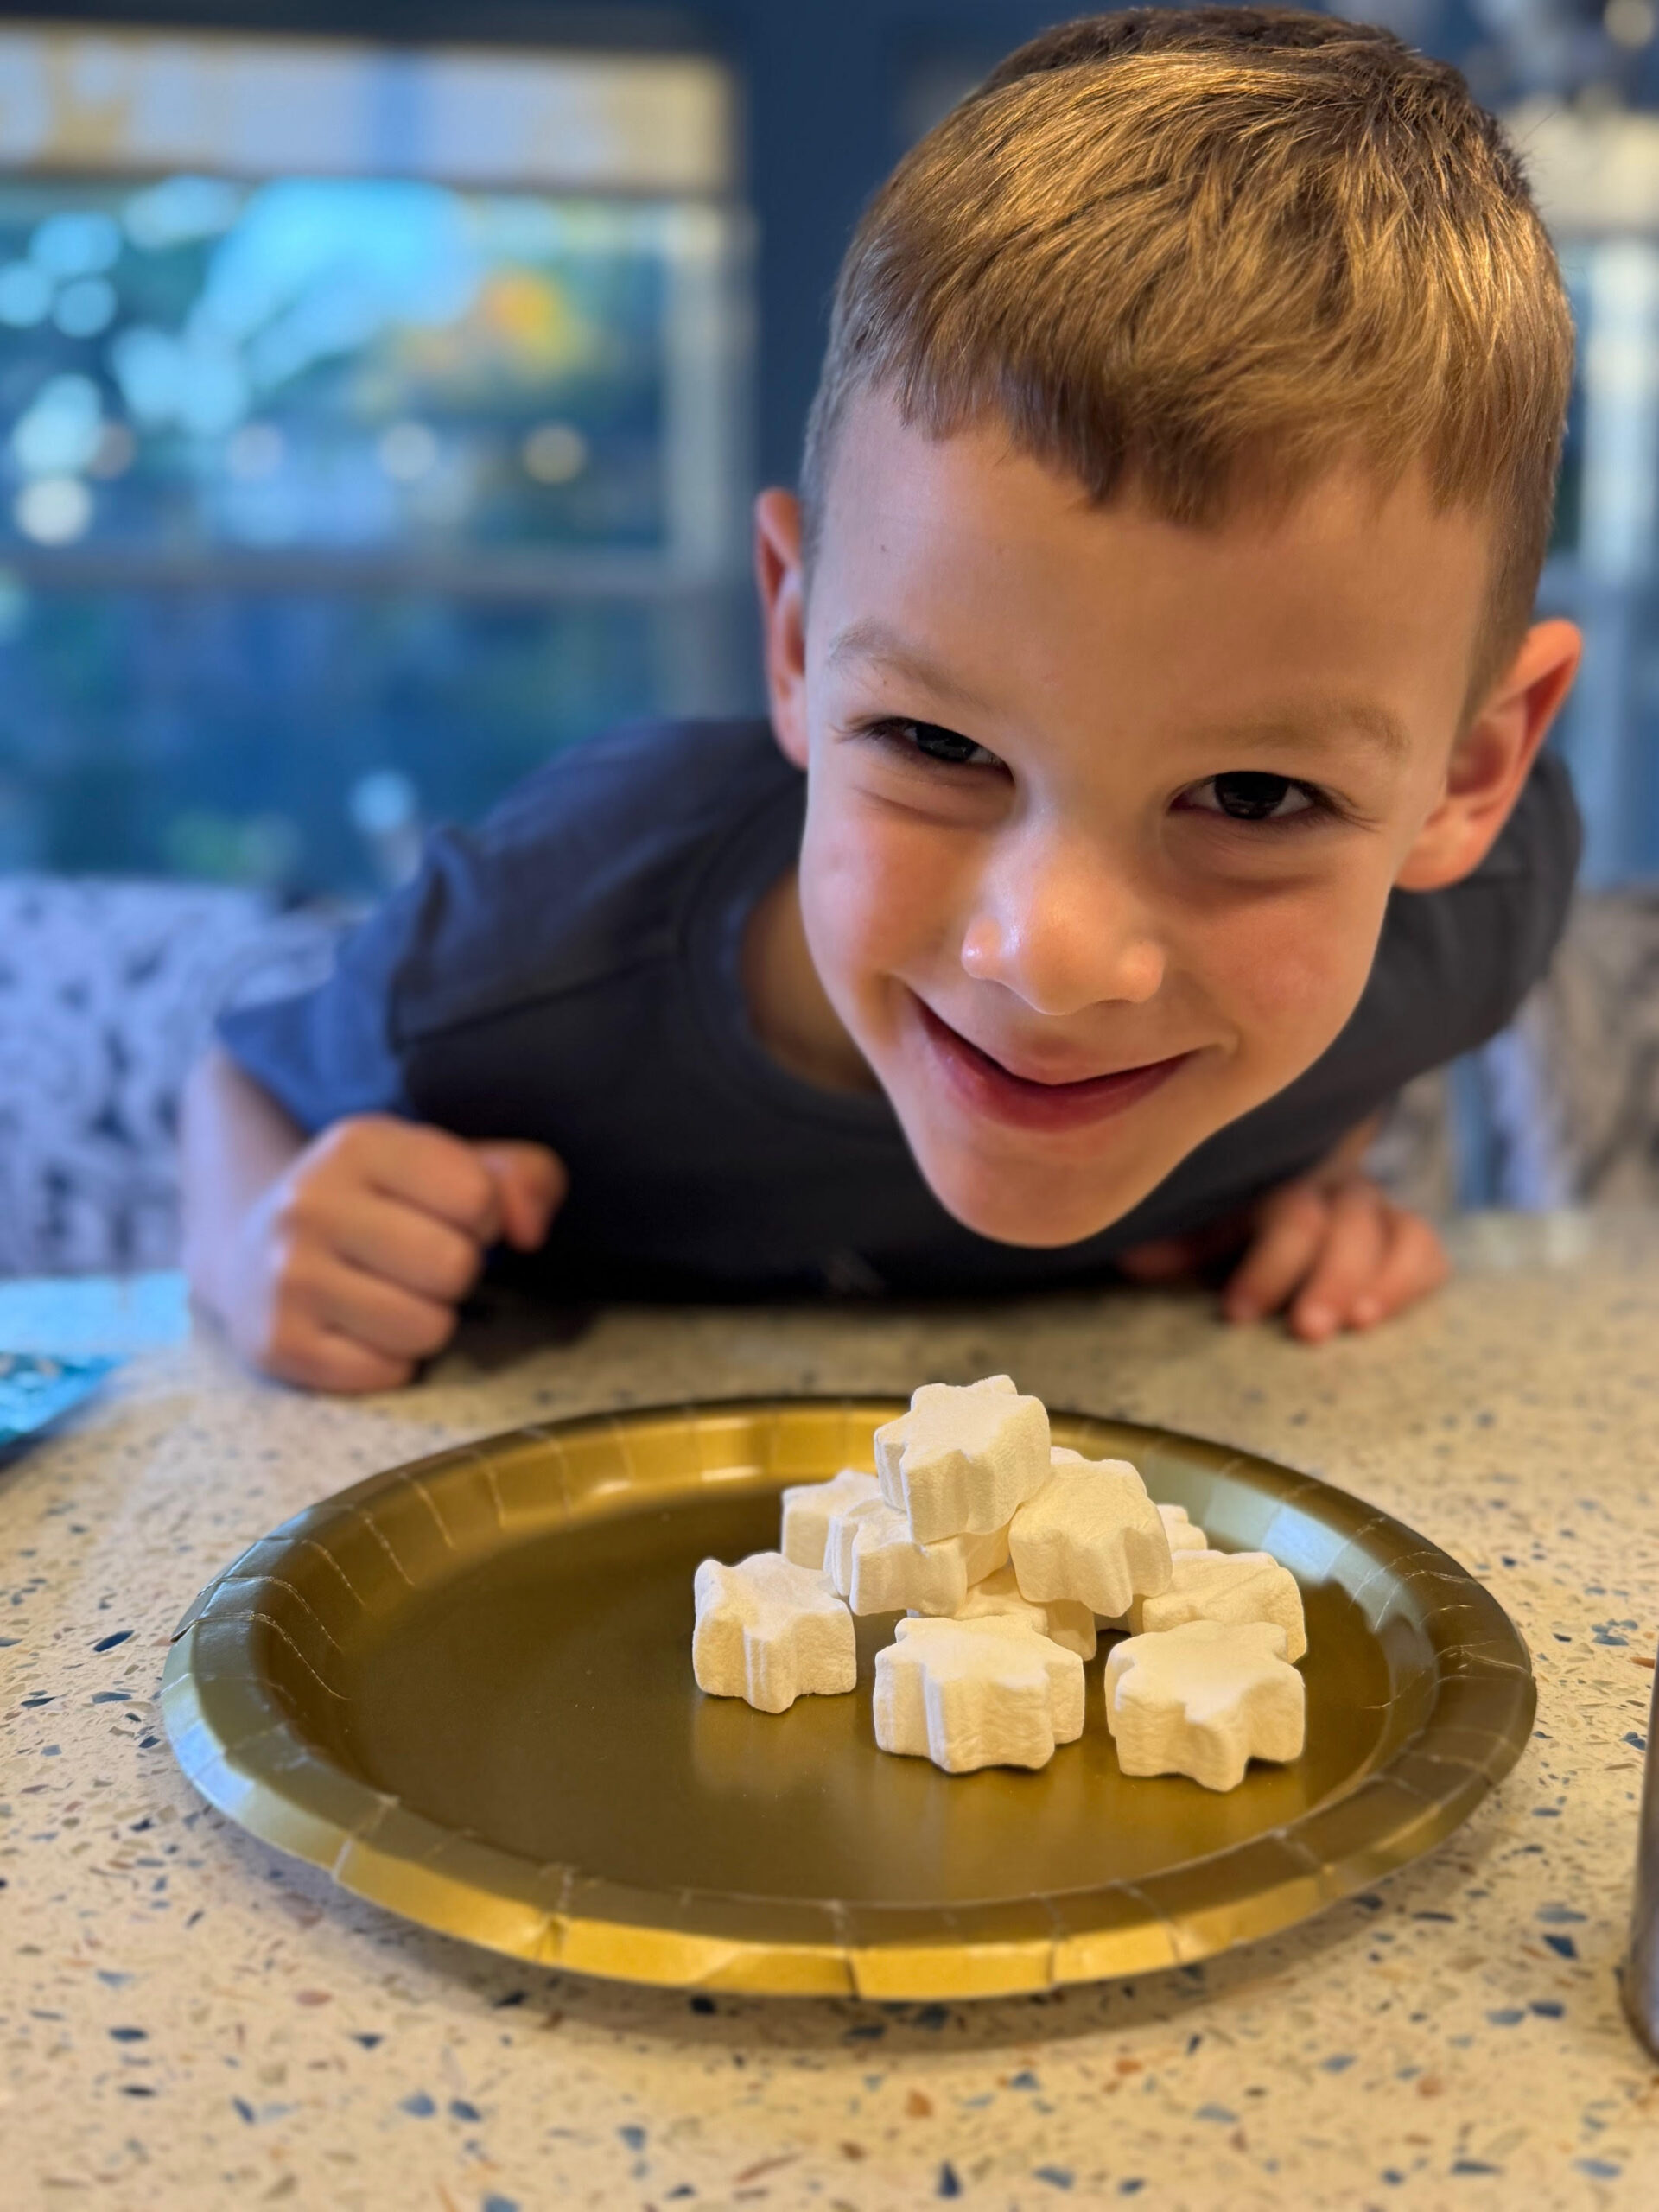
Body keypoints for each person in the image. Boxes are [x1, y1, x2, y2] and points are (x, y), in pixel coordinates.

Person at [181, 7, 1583, 1394]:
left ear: (1469, 776)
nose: (1051, 960)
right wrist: (262, 1250)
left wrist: (1310, 1171)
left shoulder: (1462, 929)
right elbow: (235, 1083)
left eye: (1256, 798)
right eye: (938, 742)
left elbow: (1372, 1034)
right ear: (794, 636)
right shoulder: (525, 958)